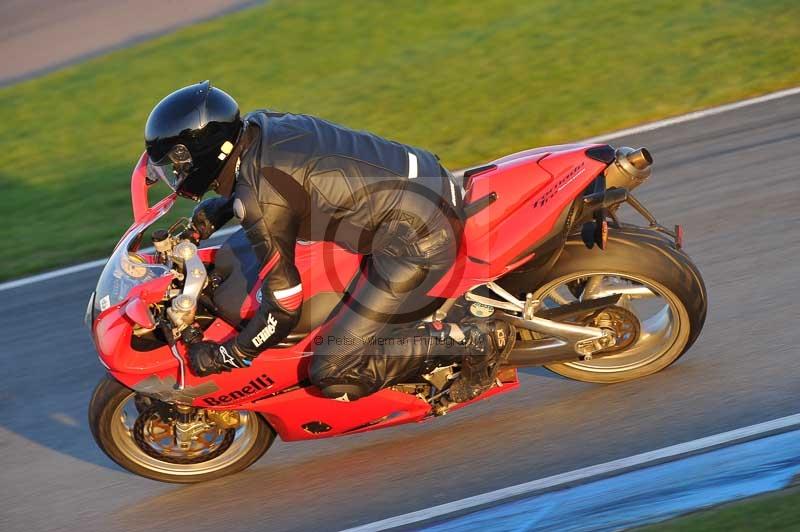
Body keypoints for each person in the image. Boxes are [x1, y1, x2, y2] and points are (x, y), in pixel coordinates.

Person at [144, 80, 510, 402]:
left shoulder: (260, 200)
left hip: (417, 239)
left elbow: (284, 306)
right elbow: (286, 179)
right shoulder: (260, 125)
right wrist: (222, 208)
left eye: (177, 165)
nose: (175, 174)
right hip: (423, 180)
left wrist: (232, 354)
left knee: (335, 369)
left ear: (205, 155)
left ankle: (475, 340)